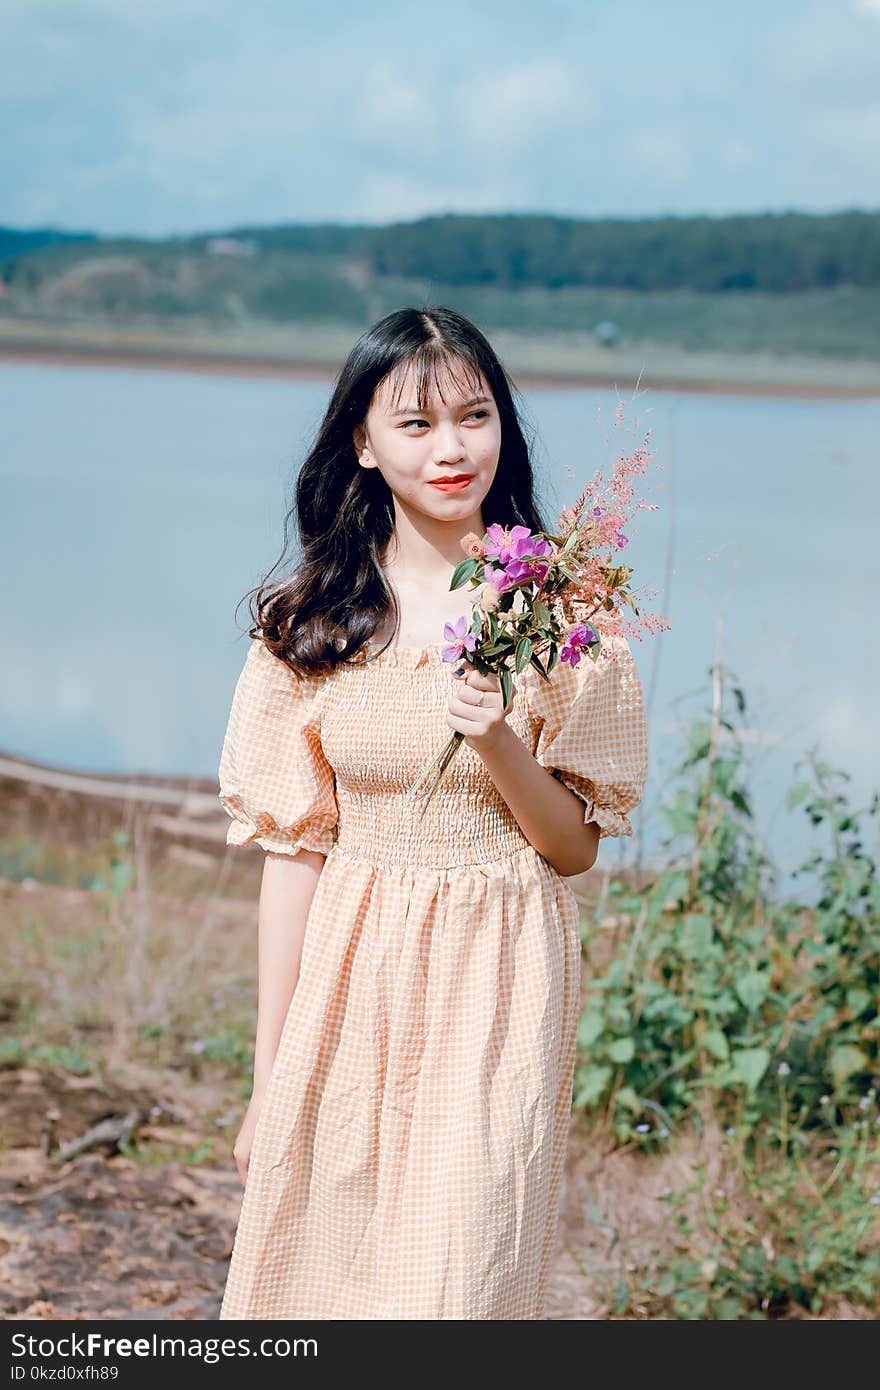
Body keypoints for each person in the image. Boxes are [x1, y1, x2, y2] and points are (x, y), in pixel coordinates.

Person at [216, 304, 648, 1320]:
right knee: (321, 1272)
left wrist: (497, 739)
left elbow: (574, 848)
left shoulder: (559, 613)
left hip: (497, 977)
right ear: (361, 443)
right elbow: (293, 853)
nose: (453, 447)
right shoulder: (307, 621)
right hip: (349, 969)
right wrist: (267, 1074)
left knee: (462, 1275)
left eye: (474, 414)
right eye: (415, 424)